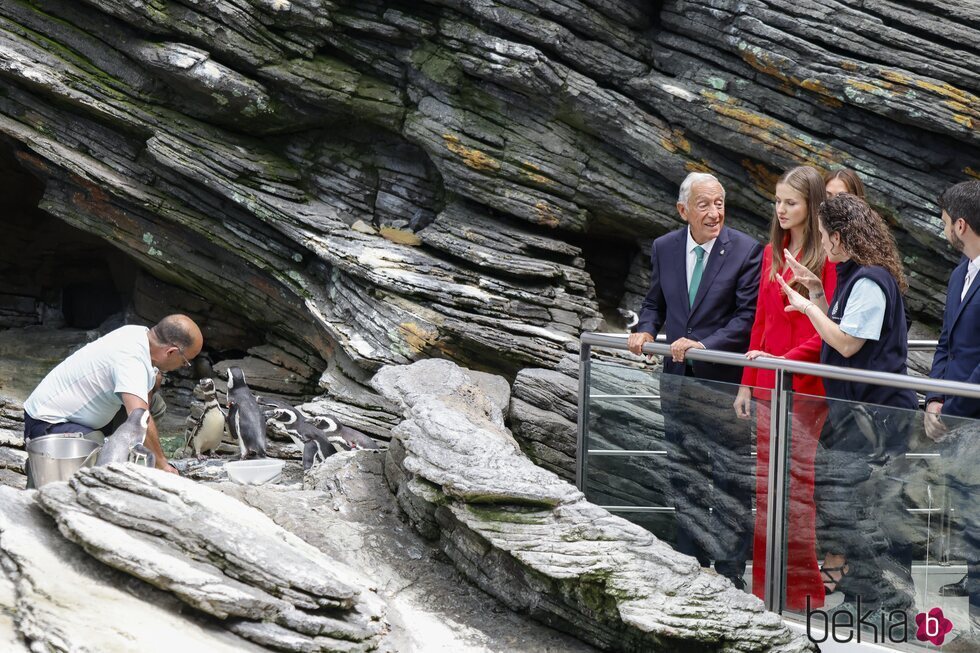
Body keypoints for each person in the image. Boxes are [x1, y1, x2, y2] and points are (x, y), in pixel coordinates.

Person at [779, 193, 916, 612]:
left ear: (840, 237)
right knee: (852, 504)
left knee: (876, 511)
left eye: (824, 236)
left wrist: (804, 306)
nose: (822, 244)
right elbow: (837, 330)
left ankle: (893, 606)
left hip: (879, 417)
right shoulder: (856, 274)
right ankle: (865, 595)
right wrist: (819, 292)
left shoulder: (872, 280)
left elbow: (847, 343)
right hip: (857, 416)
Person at [628, 171, 763, 589]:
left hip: (723, 384)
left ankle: (729, 568)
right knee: (683, 470)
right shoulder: (664, 247)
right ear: (683, 210)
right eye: (704, 205)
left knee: (728, 476)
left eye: (720, 203)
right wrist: (645, 329)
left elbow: (746, 319)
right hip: (676, 382)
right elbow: (655, 302)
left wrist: (704, 343)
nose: (714, 212)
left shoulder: (746, 250)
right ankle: (688, 558)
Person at [732, 166, 837, 611]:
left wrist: (782, 364)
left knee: (798, 489)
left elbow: (824, 331)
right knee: (765, 490)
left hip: (805, 387)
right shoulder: (771, 252)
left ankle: (802, 592)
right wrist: (746, 383)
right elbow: (760, 323)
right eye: (778, 201)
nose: (781, 210)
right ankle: (764, 587)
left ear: (812, 206)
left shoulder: (828, 258)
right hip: (766, 386)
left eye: (791, 202)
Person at [23, 314, 204, 475]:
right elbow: (140, 416)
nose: (183, 366)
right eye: (185, 362)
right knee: (95, 449)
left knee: (155, 405)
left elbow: (146, 401)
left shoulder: (139, 333)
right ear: (171, 352)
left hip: (83, 415)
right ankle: (107, 467)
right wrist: (163, 465)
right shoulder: (131, 361)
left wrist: (152, 379)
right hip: (48, 423)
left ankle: (125, 455)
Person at [923, 180, 980, 647]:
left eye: (944, 220)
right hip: (954, 412)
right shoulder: (960, 271)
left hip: (975, 416)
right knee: (958, 510)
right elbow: (946, 342)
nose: (942, 227)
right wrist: (933, 401)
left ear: (960, 224)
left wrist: (954, 408)